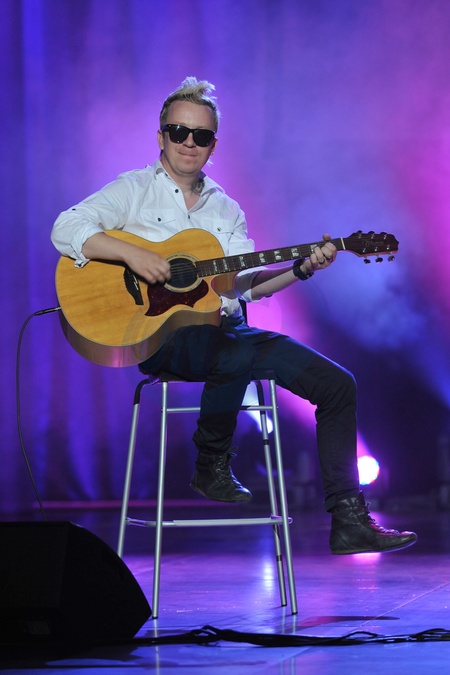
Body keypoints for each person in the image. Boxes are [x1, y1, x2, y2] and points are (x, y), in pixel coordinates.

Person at [52, 76, 417, 555]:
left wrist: (301, 269)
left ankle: (349, 519)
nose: (189, 142)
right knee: (232, 352)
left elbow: (245, 285)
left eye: (201, 135)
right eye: (179, 131)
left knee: (337, 384)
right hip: (162, 337)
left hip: (228, 334)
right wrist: (132, 254)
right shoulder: (133, 190)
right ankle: (211, 462)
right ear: (161, 136)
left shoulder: (226, 209)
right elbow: (66, 227)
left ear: (213, 144)